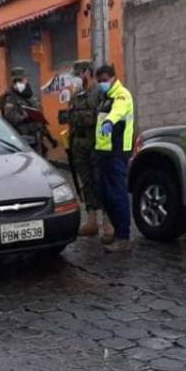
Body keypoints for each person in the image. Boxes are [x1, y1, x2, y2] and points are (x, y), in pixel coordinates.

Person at [68, 60, 113, 240]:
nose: (77, 79)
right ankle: (91, 220)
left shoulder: (100, 93)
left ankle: (107, 222)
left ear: (87, 72)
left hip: (96, 143)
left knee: (100, 181)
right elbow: (71, 118)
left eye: (78, 75)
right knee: (86, 182)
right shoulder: (76, 95)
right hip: (79, 145)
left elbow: (103, 117)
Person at [95, 64, 135, 253]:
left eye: (104, 80)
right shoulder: (105, 97)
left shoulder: (121, 95)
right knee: (105, 195)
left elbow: (118, 111)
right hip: (104, 152)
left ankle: (123, 238)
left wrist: (110, 120)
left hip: (118, 153)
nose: (102, 83)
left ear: (113, 78)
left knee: (118, 195)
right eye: (99, 81)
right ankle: (116, 232)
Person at [0, 67, 57, 156]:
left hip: (37, 139)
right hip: (22, 140)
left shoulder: (31, 97)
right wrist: (25, 117)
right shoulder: (10, 98)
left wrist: (50, 138)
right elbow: (10, 118)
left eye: (21, 80)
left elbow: (40, 120)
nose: (20, 83)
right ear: (13, 82)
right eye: (17, 81)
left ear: (26, 79)